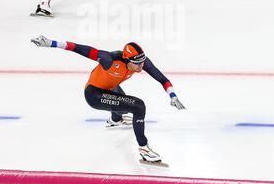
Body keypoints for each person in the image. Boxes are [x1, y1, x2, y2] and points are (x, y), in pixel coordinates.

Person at [31, 35, 185, 163]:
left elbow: (162, 78)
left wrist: (172, 95)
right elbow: (80, 48)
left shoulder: (140, 61)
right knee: (138, 106)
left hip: (111, 88)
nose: (141, 67)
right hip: (94, 94)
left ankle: (116, 119)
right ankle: (144, 148)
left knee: (123, 102)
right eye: (137, 64)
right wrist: (51, 43)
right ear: (126, 59)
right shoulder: (109, 59)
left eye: (142, 62)